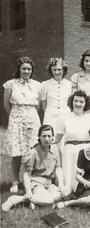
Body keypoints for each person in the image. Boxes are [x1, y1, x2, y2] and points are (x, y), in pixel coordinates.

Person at [2, 125, 65, 211]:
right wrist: (28, 191)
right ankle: (18, 199)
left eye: (49, 136)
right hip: (36, 184)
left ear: (53, 137)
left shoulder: (55, 150)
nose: (47, 139)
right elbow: (27, 174)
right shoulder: (33, 152)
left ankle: (34, 201)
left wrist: (61, 184)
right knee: (49, 200)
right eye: (44, 136)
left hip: (49, 184)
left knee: (66, 193)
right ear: (39, 137)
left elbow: (58, 168)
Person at [3, 56, 41, 193]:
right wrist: (16, 117)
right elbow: (6, 104)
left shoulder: (37, 85)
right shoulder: (10, 84)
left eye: (29, 69)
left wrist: (29, 115)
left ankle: (32, 178)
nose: (26, 71)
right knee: (17, 151)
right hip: (16, 118)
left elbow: (38, 105)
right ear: (19, 69)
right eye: (24, 68)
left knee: (33, 150)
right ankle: (15, 180)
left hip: (32, 118)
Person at [54, 90, 90, 194]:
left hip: (86, 151)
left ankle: (84, 190)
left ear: (85, 103)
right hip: (70, 151)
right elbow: (57, 138)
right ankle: (69, 189)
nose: (78, 104)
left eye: (81, 101)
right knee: (69, 176)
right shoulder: (64, 118)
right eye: (75, 101)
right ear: (71, 102)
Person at [41, 58, 72, 151]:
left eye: (59, 69)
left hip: (65, 115)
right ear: (51, 70)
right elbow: (43, 103)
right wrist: (50, 113)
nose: (57, 72)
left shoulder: (69, 84)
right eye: (54, 69)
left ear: (64, 70)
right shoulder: (45, 84)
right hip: (50, 116)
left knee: (64, 143)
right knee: (49, 140)